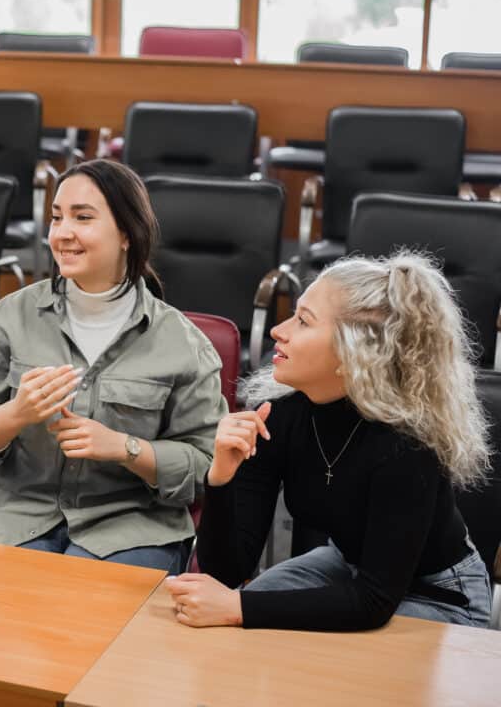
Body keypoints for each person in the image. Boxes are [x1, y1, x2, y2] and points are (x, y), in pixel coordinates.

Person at [166, 252, 493, 631]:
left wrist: (238, 607)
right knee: (232, 625)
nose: (278, 331)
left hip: (442, 595)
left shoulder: (405, 444)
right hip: (349, 569)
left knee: (289, 648)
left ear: (353, 351)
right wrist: (220, 476)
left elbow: (373, 601)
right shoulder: (278, 413)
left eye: (303, 321)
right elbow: (226, 573)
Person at [0, 159, 227, 573]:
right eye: (57, 218)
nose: (62, 233)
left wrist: (126, 449)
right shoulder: (8, 319)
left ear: (128, 233)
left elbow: (207, 468)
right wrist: (14, 414)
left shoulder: (181, 343)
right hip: (19, 520)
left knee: (81, 615)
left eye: (83, 218)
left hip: (131, 529)